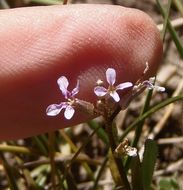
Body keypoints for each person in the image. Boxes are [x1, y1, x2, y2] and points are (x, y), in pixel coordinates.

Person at [0, 4, 162, 140]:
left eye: (111, 89)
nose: (111, 89)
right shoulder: (90, 102)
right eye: (110, 89)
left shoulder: (106, 96)